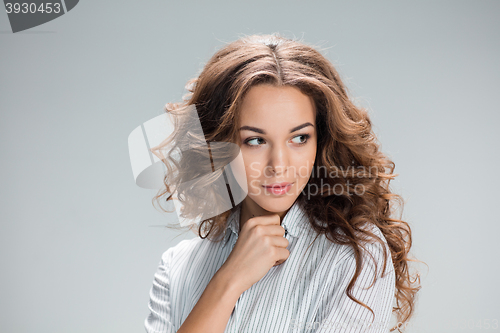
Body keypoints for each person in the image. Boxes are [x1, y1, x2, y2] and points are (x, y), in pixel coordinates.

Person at [145, 33, 421, 333]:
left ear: (322, 139)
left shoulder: (355, 256)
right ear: (219, 144)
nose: (279, 165)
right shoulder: (176, 268)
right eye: (255, 141)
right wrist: (227, 283)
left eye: (299, 138)